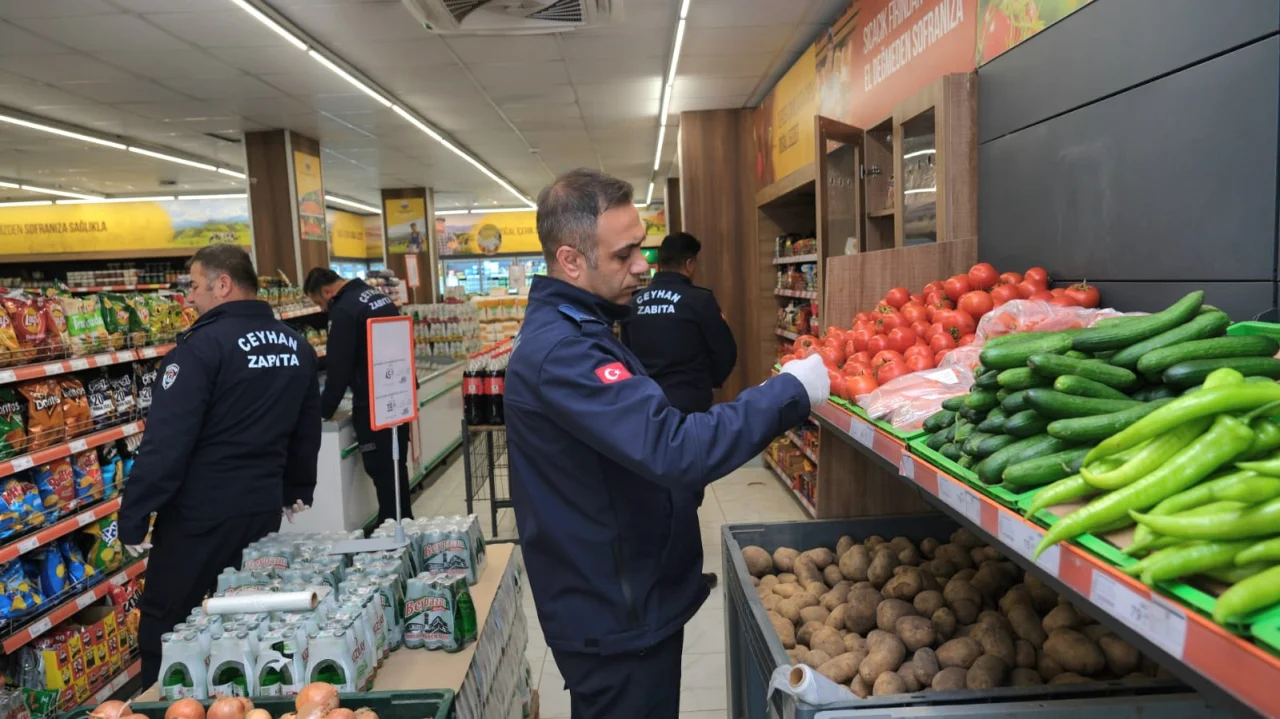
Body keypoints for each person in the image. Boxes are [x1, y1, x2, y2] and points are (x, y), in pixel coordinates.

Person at [505, 168, 829, 719]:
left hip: (624, 598)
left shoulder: (586, 327)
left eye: (643, 248)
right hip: (615, 617)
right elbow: (674, 447)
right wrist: (788, 393)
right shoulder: (564, 352)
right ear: (570, 260)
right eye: (624, 254)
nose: (642, 266)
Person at [119, 245, 321, 685]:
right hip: (262, 508)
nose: (189, 298)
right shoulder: (297, 346)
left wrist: (134, 515)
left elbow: (167, 443)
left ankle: (170, 706)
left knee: (168, 624)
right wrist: (297, 488)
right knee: (249, 614)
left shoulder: (200, 349)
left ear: (222, 284)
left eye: (193, 285)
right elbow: (307, 428)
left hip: (200, 515)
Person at [621, 231, 737, 589]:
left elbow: (625, 353)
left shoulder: (634, 303)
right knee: (687, 488)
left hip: (646, 407)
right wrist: (711, 381)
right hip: (689, 409)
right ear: (689, 263)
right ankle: (683, 577)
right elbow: (725, 351)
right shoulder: (699, 301)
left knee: (655, 484)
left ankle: (653, 563)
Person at [304, 267, 412, 529]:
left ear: (327, 292)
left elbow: (338, 369)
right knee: (396, 467)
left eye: (319, 302)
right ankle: (403, 520)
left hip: (373, 402)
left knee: (381, 469)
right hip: (398, 394)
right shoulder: (374, 296)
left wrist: (322, 411)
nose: (321, 309)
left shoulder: (344, 310)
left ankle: (391, 526)